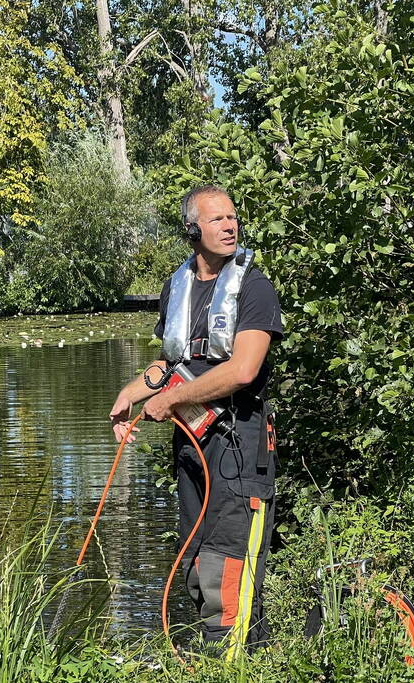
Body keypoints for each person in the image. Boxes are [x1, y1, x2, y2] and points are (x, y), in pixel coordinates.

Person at [108, 184, 283, 657]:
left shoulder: (254, 287)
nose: (230, 226)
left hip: (238, 444)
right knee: (194, 556)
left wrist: (171, 400)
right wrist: (132, 394)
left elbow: (243, 369)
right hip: (190, 446)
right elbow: (174, 362)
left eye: (233, 218)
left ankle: (226, 661)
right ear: (192, 229)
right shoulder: (178, 285)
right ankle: (234, 658)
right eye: (217, 219)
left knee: (228, 561)